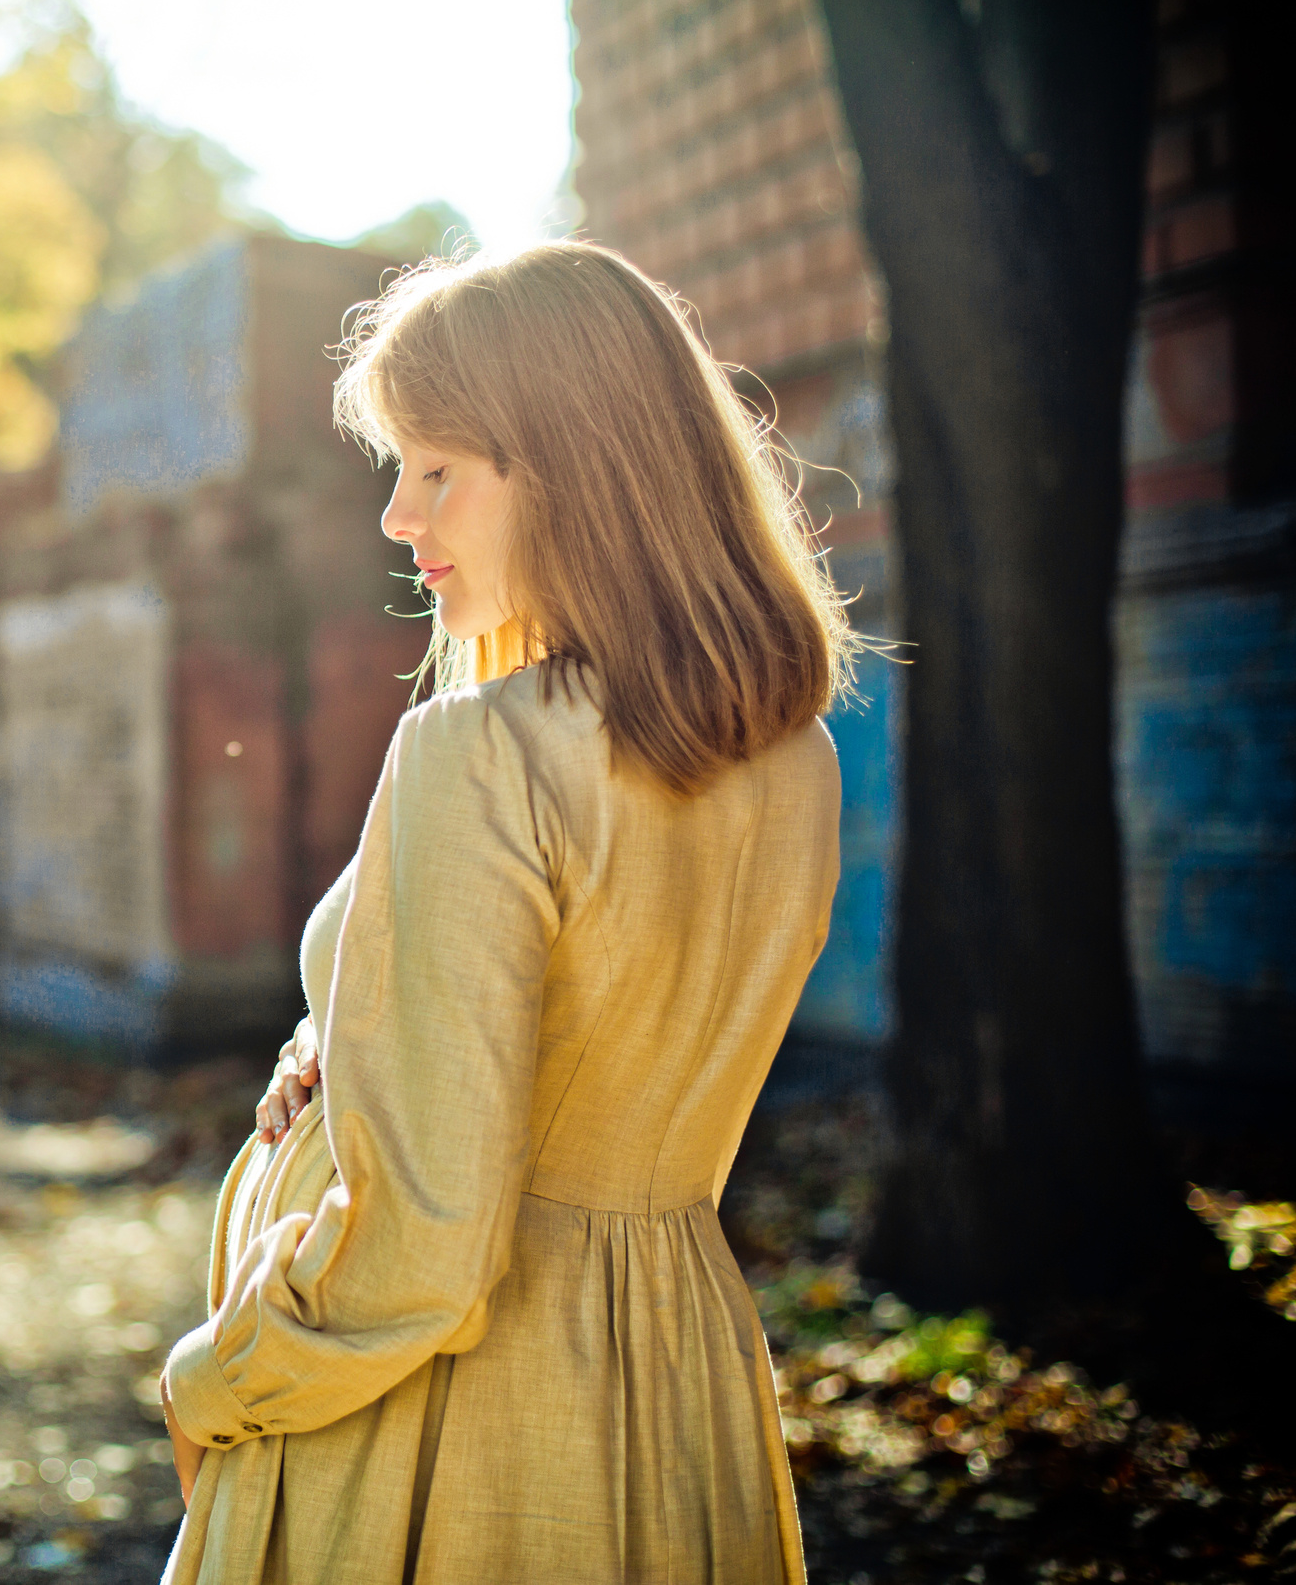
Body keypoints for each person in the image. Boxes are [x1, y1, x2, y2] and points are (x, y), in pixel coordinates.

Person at [156, 241, 858, 1584]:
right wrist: (352, 1042)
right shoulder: (795, 760)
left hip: (435, 1429)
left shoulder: (479, 754)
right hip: (670, 1380)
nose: (396, 519)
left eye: (439, 470)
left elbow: (426, 1253)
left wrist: (217, 1381)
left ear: (580, 471)